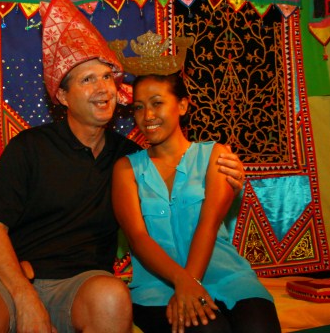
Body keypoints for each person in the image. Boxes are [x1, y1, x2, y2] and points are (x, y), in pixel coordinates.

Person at [0, 0, 246, 333]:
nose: (103, 88)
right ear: (62, 96)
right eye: (87, 79)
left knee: (112, 296)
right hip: (12, 277)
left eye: (107, 77)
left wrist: (225, 166)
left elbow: (176, 181)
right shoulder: (29, 147)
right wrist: (24, 297)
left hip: (81, 284)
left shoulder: (128, 159)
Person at [112, 73, 281, 333]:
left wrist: (189, 281)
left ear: (182, 105)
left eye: (157, 103)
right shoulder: (126, 170)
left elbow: (209, 223)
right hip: (158, 290)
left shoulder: (216, 156)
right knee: (209, 331)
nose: (147, 116)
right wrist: (183, 282)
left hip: (228, 279)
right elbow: (137, 237)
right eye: (138, 107)